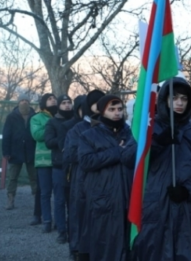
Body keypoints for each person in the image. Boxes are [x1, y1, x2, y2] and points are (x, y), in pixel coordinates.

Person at [125, 77, 191, 261]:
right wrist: (155, 143)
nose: (179, 103)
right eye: (174, 97)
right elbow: (129, 159)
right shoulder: (148, 128)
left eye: (184, 99)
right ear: (164, 99)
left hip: (190, 208)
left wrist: (189, 189)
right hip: (155, 207)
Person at [79, 95, 134, 261]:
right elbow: (86, 161)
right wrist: (117, 152)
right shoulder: (89, 135)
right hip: (103, 198)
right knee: (105, 242)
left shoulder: (132, 133)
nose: (117, 113)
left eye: (119, 109)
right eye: (111, 109)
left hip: (129, 195)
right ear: (103, 111)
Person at [63, 90, 105, 260]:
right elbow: (70, 154)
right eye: (97, 102)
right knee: (81, 217)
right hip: (83, 180)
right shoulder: (78, 129)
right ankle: (79, 250)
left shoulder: (114, 127)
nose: (101, 106)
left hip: (106, 181)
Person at [1, 94, 38, 223]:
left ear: (29, 102)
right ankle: (10, 200)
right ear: (18, 102)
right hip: (15, 152)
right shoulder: (11, 117)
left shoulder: (35, 116)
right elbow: (6, 135)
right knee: (12, 177)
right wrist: (6, 152)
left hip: (31, 151)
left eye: (26, 100)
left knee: (34, 178)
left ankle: (36, 201)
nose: (24, 102)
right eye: (22, 100)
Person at [44, 94, 74, 244]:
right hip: (59, 166)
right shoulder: (52, 122)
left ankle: (73, 230)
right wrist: (65, 140)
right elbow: (48, 141)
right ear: (59, 106)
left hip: (75, 166)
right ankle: (62, 231)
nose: (67, 105)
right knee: (60, 200)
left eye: (69, 102)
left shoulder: (76, 121)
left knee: (73, 200)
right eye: (64, 103)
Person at [30, 93, 58, 230]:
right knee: (45, 193)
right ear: (43, 102)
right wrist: (52, 125)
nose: (53, 100)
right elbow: (37, 135)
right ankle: (46, 220)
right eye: (49, 99)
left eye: (54, 99)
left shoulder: (61, 116)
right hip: (44, 161)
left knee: (60, 194)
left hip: (59, 160)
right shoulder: (36, 118)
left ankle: (59, 222)